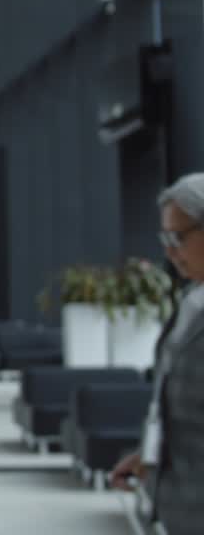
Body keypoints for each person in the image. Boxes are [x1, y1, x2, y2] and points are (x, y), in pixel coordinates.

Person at [112, 173, 204, 533]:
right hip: (174, 508)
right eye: (164, 237)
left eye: (178, 237)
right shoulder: (191, 302)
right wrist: (150, 457)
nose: (169, 250)